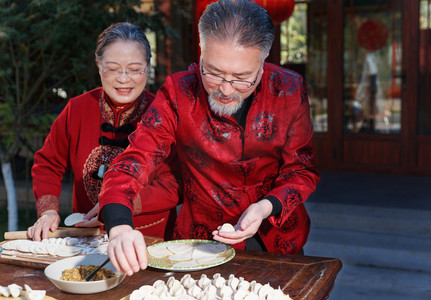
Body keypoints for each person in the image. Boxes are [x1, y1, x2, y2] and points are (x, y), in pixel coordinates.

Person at [99, 0, 320, 276]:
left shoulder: (289, 90)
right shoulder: (178, 93)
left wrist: (266, 207)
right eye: (213, 73)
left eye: (242, 78)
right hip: (200, 244)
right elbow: (134, 160)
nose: (226, 89)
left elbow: (302, 171)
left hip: (276, 239)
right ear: (201, 51)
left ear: (263, 63)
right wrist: (119, 226)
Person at [27, 22, 180, 242]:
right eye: (113, 68)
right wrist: (48, 211)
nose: (124, 79)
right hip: (87, 239)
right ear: (99, 66)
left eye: (135, 69)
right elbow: (47, 164)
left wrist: (116, 204)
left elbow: (176, 183)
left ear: (148, 67)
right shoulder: (77, 109)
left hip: (149, 238)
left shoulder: (163, 114)